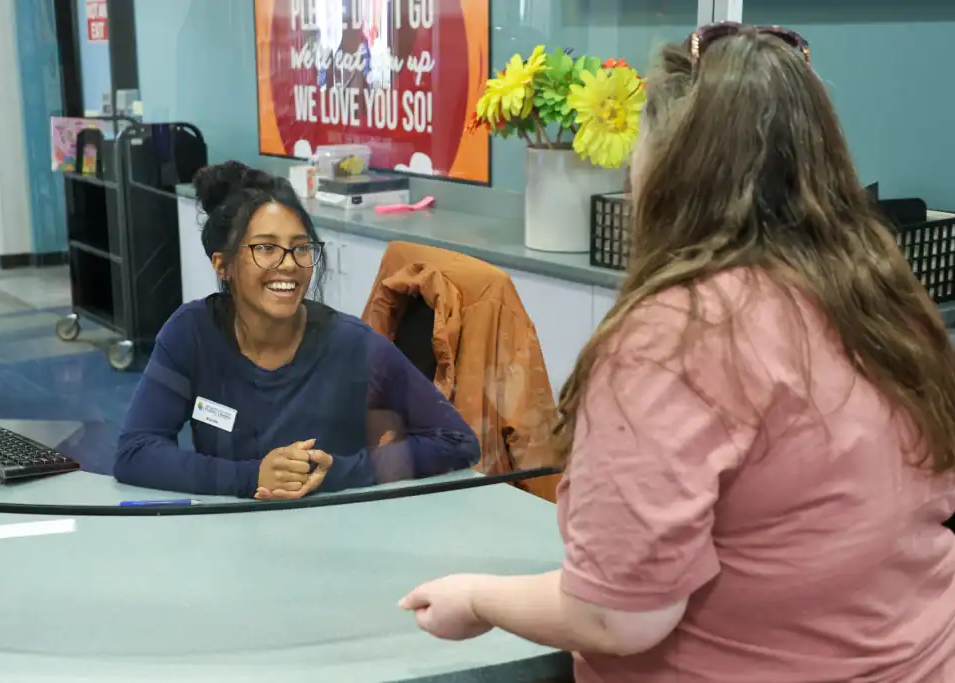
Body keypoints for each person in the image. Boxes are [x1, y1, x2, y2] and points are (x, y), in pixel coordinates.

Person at [399, 24, 955, 683]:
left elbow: (619, 617)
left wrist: (478, 597)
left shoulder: (677, 337)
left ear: (669, 176)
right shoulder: (884, 299)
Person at [114, 161, 480, 499]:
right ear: (223, 265)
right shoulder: (191, 333)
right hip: (228, 540)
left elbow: (457, 441)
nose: (288, 265)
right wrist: (251, 477)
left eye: (300, 248)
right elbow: (135, 452)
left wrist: (339, 472)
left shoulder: (352, 345)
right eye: (266, 248)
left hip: (335, 539)